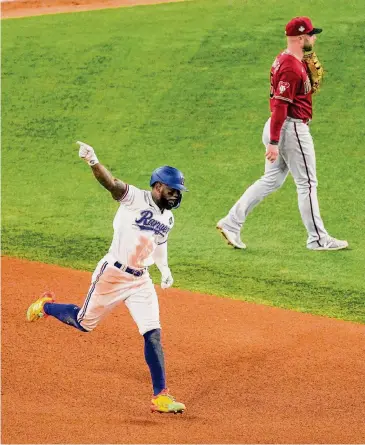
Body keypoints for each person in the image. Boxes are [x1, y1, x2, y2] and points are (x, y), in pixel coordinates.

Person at [26, 141, 188, 414]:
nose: (175, 196)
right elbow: (111, 183)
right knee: (84, 323)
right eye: (172, 191)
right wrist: (92, 160)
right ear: (158, 186)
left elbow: (159, 244)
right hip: (112, 275)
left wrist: (165, 269)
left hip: (140, 281)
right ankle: (45, 306)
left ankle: (161, 395)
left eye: (178, 192)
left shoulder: (168, 218)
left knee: (153, 333)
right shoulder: (134, 197)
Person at [217, 17, 348, 251]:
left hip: (280, 127)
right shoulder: (290, 67)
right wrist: (275, 143)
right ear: (300, 38)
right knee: (307, 183)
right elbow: (280, 105)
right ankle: (317, 238)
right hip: (290, 129)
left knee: (271, 180)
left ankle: (231, 222)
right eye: (311, 35)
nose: (314, 38)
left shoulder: (286, 58)